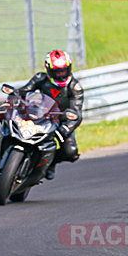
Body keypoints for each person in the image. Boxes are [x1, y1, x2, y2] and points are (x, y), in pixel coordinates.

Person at [17, 49, 84, 180]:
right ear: (48, 70)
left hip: (63, 120)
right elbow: (24, 90)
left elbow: (76, 112)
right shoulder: (40, 78)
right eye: (57, 71)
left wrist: (65, 129)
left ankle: (51, 163)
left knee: (71, 152)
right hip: (41, 115)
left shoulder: (74, 86)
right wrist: (15, 95)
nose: (60, 75)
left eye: (63, 71)